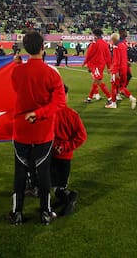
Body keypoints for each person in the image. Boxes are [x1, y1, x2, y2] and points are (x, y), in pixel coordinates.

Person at [8, 31, 66, 226]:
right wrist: (39, 113)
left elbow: (19, 86)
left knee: (20, 172)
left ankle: (16, 213)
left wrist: (19, 65)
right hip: (43, 130)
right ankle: (45, 213)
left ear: (25, 48)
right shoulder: (51, 73)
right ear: (43, 48)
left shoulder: (16, 72)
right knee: (43, 172)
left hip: (21, 129)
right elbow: (59, 102)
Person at [51, 84, 87, 216]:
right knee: (58, 184)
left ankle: (71, 198)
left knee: (55, 185)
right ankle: (62, 200)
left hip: (51, 154)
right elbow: (82, 136)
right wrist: (66, 147)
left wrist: (56, 146)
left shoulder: (49, 114)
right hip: (65, 156)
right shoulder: (72, 115)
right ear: (65, 96)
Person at [106, 32, 137, 109]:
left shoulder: (116, 47)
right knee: (121, 87)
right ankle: (128, 98)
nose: (111, 41)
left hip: (118, 69)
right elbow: (124, 57)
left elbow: (116, 60)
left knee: (114, 86)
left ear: (114, 40)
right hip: (124, 69)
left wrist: (115, 71)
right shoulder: (123, 45)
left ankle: (115, 103)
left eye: (111, 40)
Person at [82, 28, 111, 104]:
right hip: (101, 65)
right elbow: (108, 56)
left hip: (96, 65)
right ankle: (89, 98)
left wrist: (85, 62)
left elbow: (89, 54)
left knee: (98, 81)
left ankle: (110, 98)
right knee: (95, 81)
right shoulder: (105, 43)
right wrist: (108, 67)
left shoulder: (95, 43)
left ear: (95, 35)